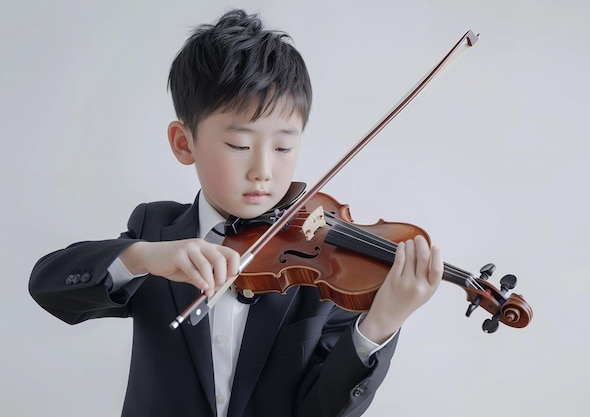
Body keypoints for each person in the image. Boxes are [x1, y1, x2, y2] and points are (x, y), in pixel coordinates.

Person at [29, 9, 443, 417]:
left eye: (283, 147)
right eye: (239, 146)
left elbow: (320, 410)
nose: (263, 170)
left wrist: (378, 327)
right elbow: (49, 287)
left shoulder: (327, 271)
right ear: (183, 143)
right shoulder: (157, 230)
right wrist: (144, 257)